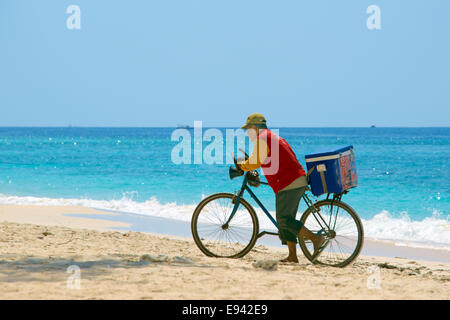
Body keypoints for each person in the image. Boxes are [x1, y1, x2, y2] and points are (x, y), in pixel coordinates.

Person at [237, 113, 327, 263]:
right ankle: (292, 256)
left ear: (254, 127)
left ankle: (316, 239)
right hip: (295, 179)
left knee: (284, 220)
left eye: (249, 129)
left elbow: (255, 163)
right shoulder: (273, 137)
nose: (248, 133)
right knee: (286, 220)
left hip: (289, 182)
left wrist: (241, 165)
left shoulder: (262, 138)